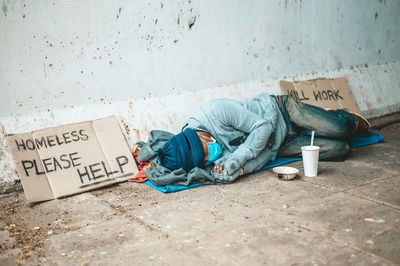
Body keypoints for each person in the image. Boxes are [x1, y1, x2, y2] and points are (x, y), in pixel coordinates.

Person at [157, 93, 369, 183]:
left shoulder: (215, 111)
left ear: (197, 135)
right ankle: (315, 126)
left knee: (341, 128)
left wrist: (238, 158)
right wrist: (239, 171)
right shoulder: (205, 160)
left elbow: (263, 126)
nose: (208, 157)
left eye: (204, 150)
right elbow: (264, 157)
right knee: (341, 150)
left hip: (280, 112)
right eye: (203, 160)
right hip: (277, 145)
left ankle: (339, 115)